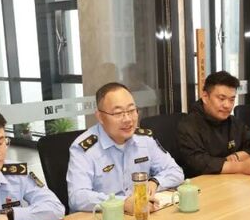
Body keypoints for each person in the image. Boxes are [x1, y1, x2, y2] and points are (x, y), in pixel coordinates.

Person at [67, 82, 184, 213]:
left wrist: (155, 182)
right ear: (100, 117)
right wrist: (123, 203)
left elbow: (175, 171)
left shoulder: (143, 139)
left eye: (131, 110)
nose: (128, 119)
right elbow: (77, 197)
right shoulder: (84, 148)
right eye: (118, 113)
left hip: (140, 215)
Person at [177, 71, 250, 177]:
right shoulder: (188, 125)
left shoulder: (233, 122)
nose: (227, 105)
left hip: (231, 180)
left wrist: (237, 156)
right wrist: (239, 166)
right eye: (221, 99)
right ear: (205, 97)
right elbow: (198, 163)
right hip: (201, 182)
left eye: (231, 100)